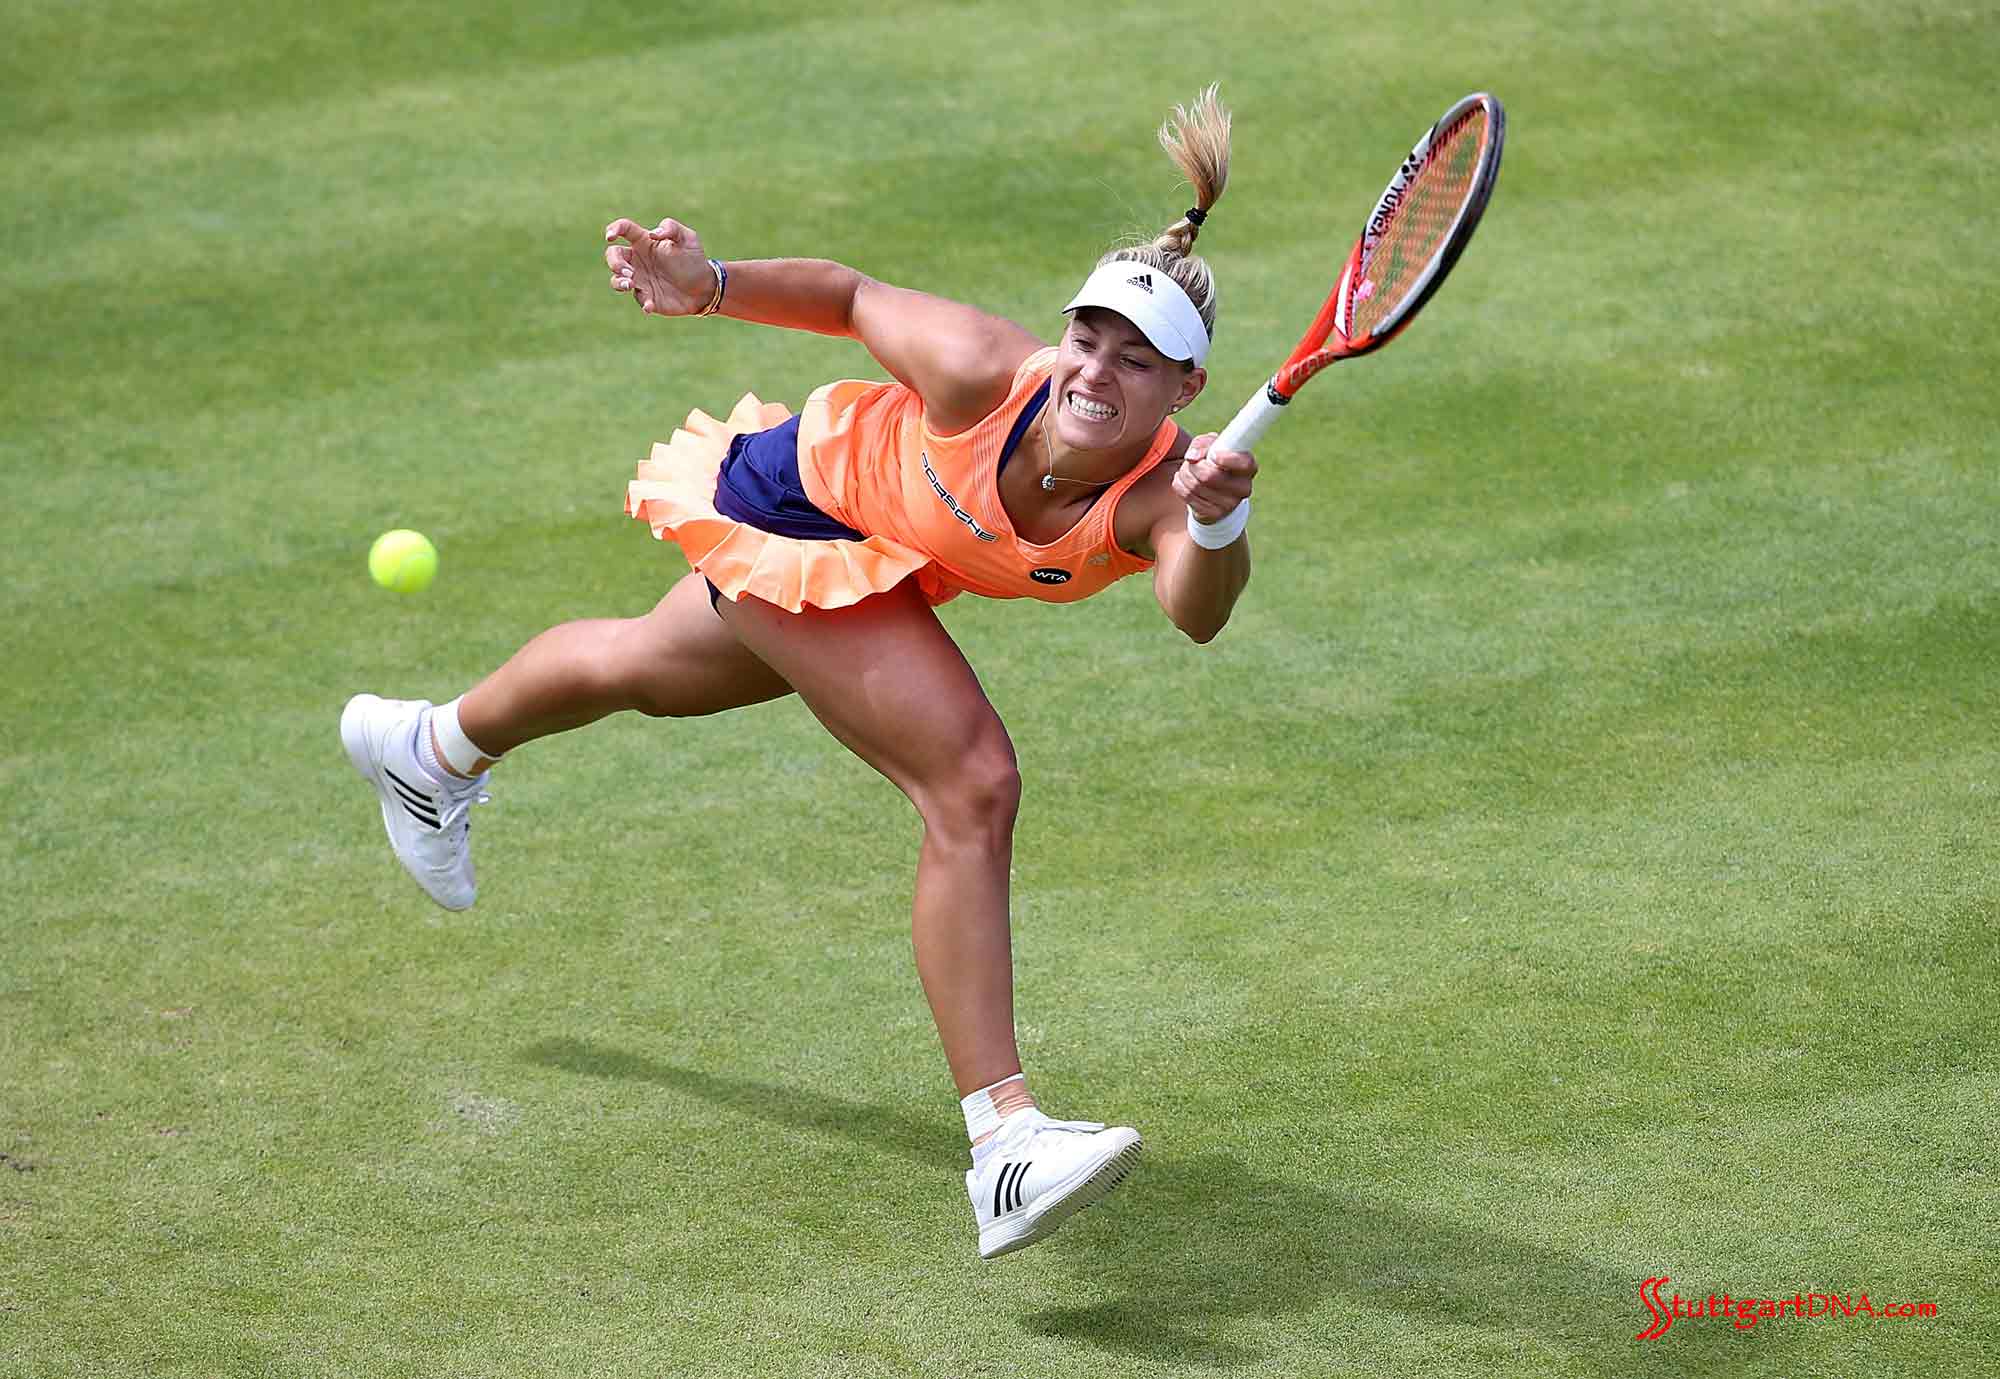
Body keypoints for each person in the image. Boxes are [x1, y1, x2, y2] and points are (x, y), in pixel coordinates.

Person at [340, 86, 1256, 1259]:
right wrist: (707, 282)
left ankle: (430, 749)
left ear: (1184, 391)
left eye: (1136, 361)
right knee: (970, 782)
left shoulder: (1166, 493)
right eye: (1086, 339)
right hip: (794, 501)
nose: (1095, 372)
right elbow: (850, 295)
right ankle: (1004, 1140)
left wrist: (1217, 522)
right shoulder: (980, 368)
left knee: (645, 666)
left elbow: (1195, 612)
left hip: (877, 554)